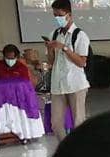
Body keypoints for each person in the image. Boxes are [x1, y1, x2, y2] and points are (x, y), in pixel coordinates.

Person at [45, 0, 89, 141]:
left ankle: (79, 151)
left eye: (60, 15)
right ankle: (65, 147)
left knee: (78, 122)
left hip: (75, 84)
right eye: (54, 15)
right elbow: (51, 61)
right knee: (56, 123)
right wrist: (50, 48)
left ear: (69, 15)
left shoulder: (80, 35)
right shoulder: (54, 34)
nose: (57, 18)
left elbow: (82, 62)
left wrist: (64, 48)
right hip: (58, 84)